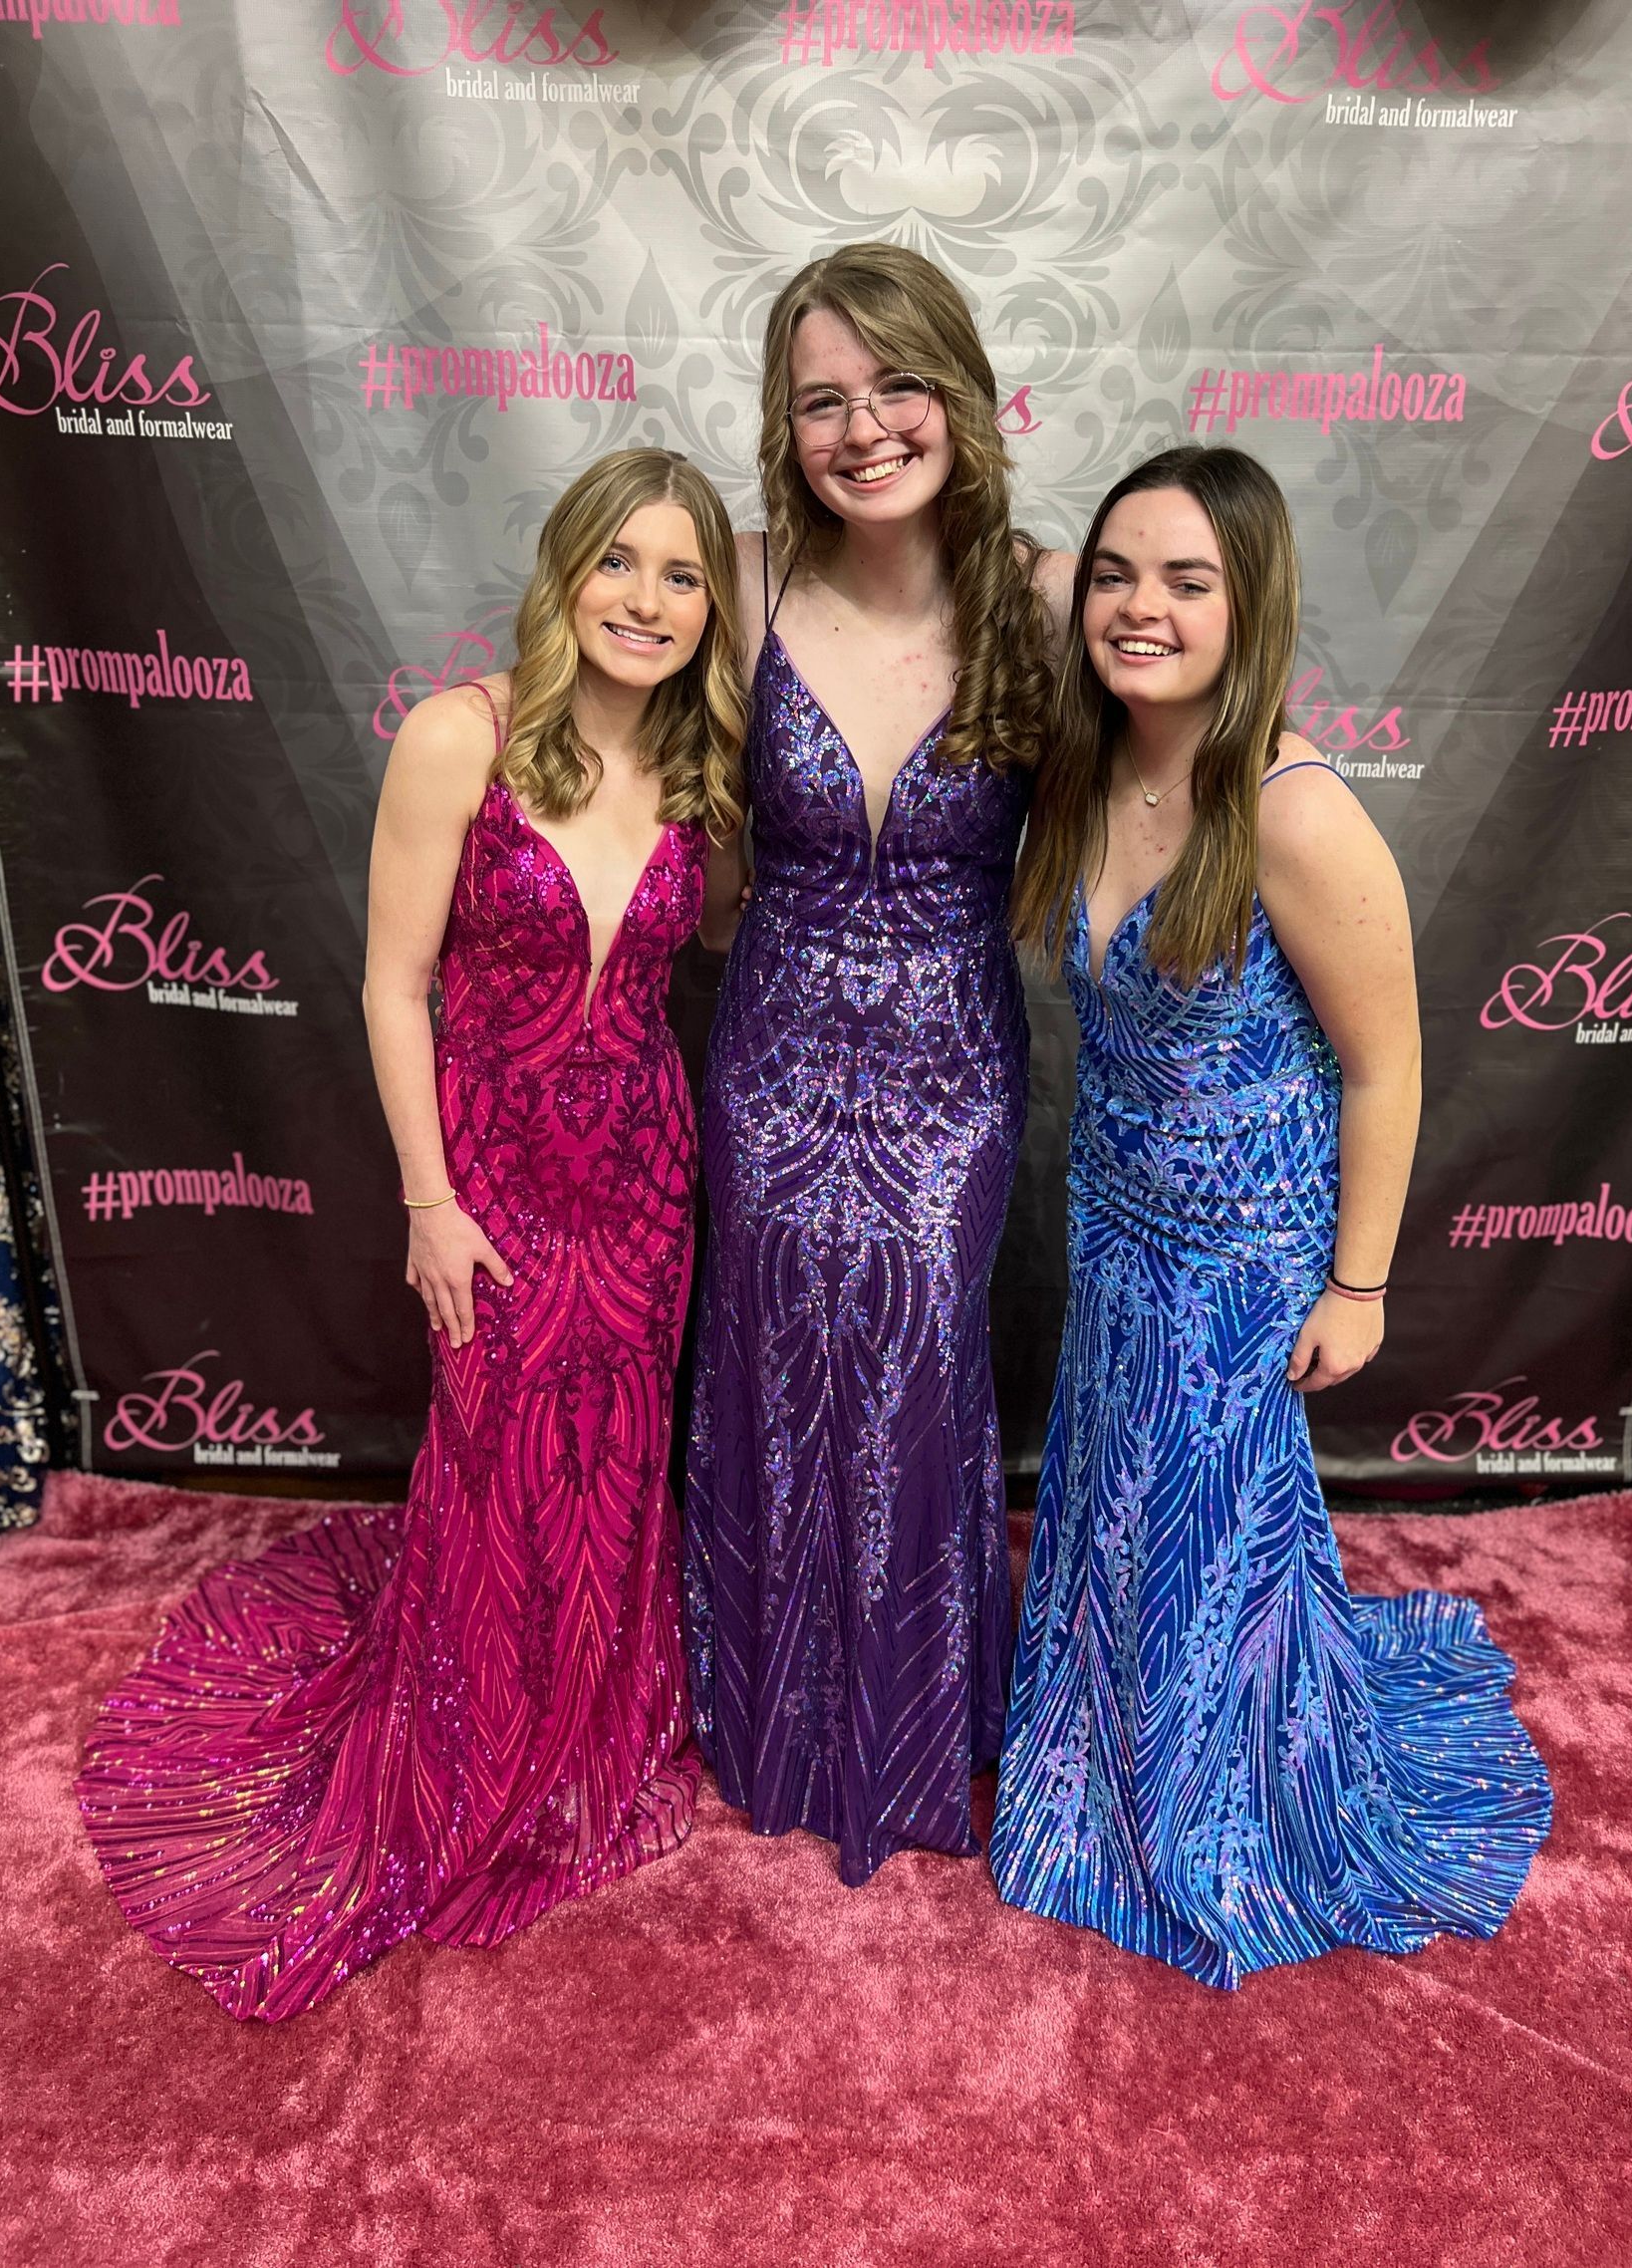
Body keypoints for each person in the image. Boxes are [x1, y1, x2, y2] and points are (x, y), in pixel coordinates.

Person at [77, 448, 747, 2020]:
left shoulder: (702, 773)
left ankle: (593, 1726)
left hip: (645, 1177)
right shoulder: (462, 738)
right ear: (564, 569)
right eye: (621, 564)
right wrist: (429, 1202)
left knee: (613, 1456)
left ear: (714, 608)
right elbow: (393, 984)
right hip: (494, 1180)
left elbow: (705, 945)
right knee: (499, 1452)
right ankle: (473, 1739)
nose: (646, 602)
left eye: (685, 576)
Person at [989, 445, 1551, 1984]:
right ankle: (1101, 1756)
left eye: (1189, 582)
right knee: (1118, 1514)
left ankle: (1226, 1804)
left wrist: (1356, 1289)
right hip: (1115, 1219)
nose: (1139, 607)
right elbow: (1020, 566)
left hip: (1247, 1255)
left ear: (1255, 609)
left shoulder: (1293, 813)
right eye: (1118, 575)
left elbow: (1386, 1065)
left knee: (1213, 1543)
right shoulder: (1094, 769)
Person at [683, 242, 1069, 1886]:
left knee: (915, 1344)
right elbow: (608, 749)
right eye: (822, 398)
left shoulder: (1044, 594)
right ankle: (757, 1707)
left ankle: (911, 1724)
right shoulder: (748, 581)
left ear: (960, 397)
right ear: (785, 426)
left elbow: (1181, 775)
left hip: (953, 1056)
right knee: (769, 1357)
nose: (864, 427)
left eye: (896, 385)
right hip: (769, 1046)